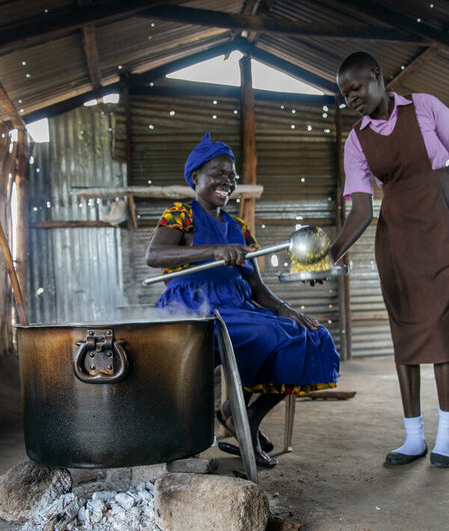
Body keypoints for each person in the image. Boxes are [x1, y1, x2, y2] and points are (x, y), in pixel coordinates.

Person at [330, 52, 449, 468]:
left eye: (357, 88)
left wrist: (443, 187)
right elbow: (362, 212)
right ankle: (413, 437)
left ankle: (446, 436)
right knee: (405, 334)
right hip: (399, 239)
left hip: (443, 229)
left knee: (441, 330)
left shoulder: (423, 106)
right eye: (345, 94)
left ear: (378, 76)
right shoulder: (356, 141)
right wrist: (329, 255)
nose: (352, 98)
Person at [146, 132, 340, 467]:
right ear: (195, 177)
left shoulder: (239, 228)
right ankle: (237, 417)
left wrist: (288, 310)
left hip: (239, 307)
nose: (226, 181)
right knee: (266, 335)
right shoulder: (182, 214)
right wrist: (213, 250)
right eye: (217, 174)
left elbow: (257, 288)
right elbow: (154, 256)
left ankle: (243, 415)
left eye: (231, 177)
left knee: (312, 336)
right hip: (195, 309)